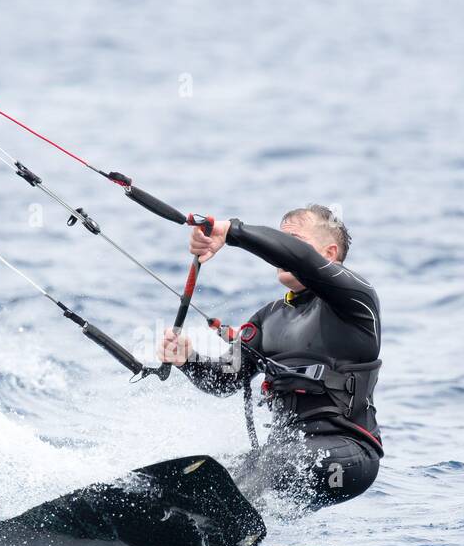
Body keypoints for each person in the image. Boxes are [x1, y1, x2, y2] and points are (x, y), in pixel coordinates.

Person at [158, 204, 382, 509]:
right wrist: (188, 359)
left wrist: (231, 231)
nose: (281, 253)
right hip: (282, 455)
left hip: (348, 459)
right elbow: (226, 380)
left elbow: (299, 257)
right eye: (281, 241)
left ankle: (217, 520)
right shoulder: (269, 318)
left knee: (271, 468)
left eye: (293, 243)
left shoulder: (356, 301)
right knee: (212, 472)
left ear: (329, 254)